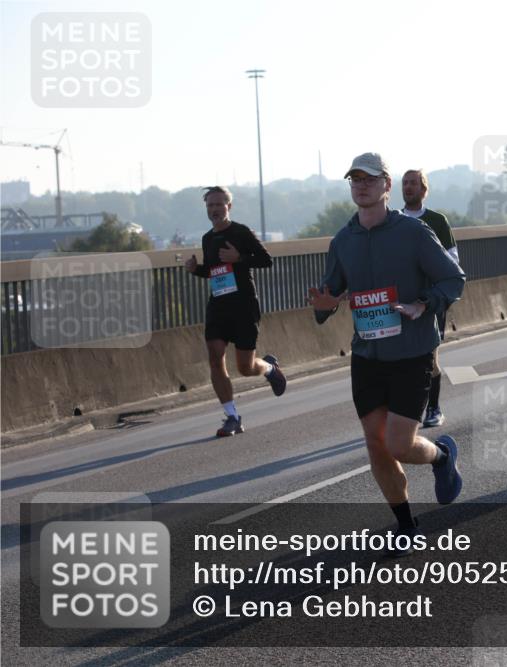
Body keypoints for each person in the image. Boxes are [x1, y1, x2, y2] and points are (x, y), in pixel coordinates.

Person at [308, 153, 466, 552]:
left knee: (398, 443)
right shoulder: (343, 240)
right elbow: (328, 296)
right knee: (376, 443)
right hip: (367, 357)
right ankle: (405, 524)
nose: (360, 185)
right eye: (354, 179)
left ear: (386, 185)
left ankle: (442, 458)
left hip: (412, 353)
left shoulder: (412, 233)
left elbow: (453, 278)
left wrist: (424, 303)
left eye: (369, 179)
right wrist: (323, 306)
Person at [185, 186, 287, 437]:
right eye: (210, 205)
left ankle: (270, 369)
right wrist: (195, 269)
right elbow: (213, 270)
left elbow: (266, 260)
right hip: (218, 305)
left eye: (220, 204)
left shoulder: (241, 232)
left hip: (243, 306)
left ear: (229, 207)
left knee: (245, 367)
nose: (215, 209)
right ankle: (232, 416)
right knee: (215, 355)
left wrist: (239, 257)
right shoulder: (208, 238)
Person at [401, 168, 459, 429]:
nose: (409, 187)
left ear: (424, 189)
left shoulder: (437, 221)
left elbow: (453, 262)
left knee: (429, 357)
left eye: (414, 183)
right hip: (400, 302)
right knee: (401, 359)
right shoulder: (394, 221)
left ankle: (434, 407)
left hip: (430, 301)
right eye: (405, 183)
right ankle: (406, 409)